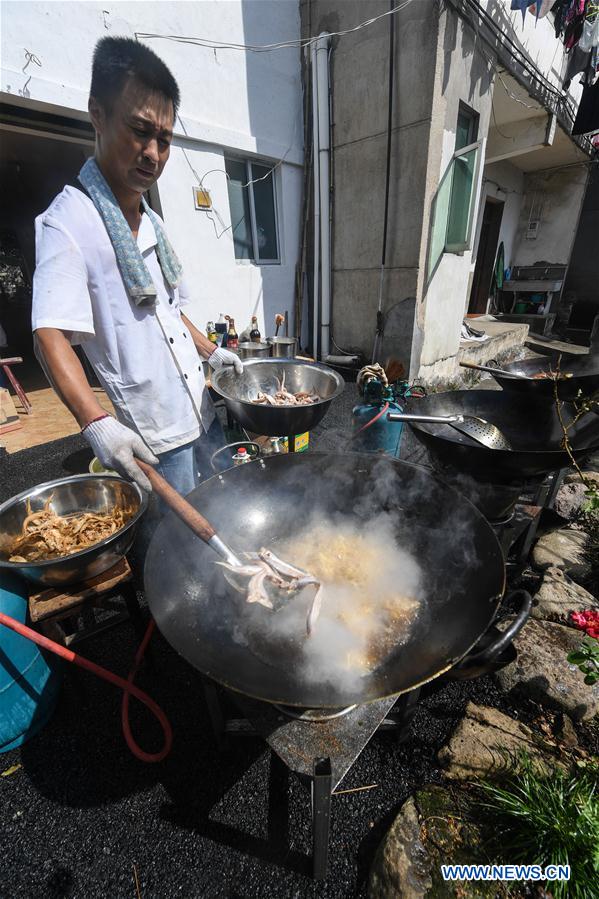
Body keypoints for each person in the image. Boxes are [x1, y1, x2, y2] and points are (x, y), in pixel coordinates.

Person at [32, 36, 242, 503]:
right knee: (179, 548)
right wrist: (97, 423)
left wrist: (210, 353)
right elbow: (48, 334)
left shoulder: (153, 222)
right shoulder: (68, 222)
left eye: (164, 139)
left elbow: (167, 308)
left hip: (200, 409)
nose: (153, 152)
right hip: (155, 436)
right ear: (98, 115)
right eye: (140, 131)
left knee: (224, 510)